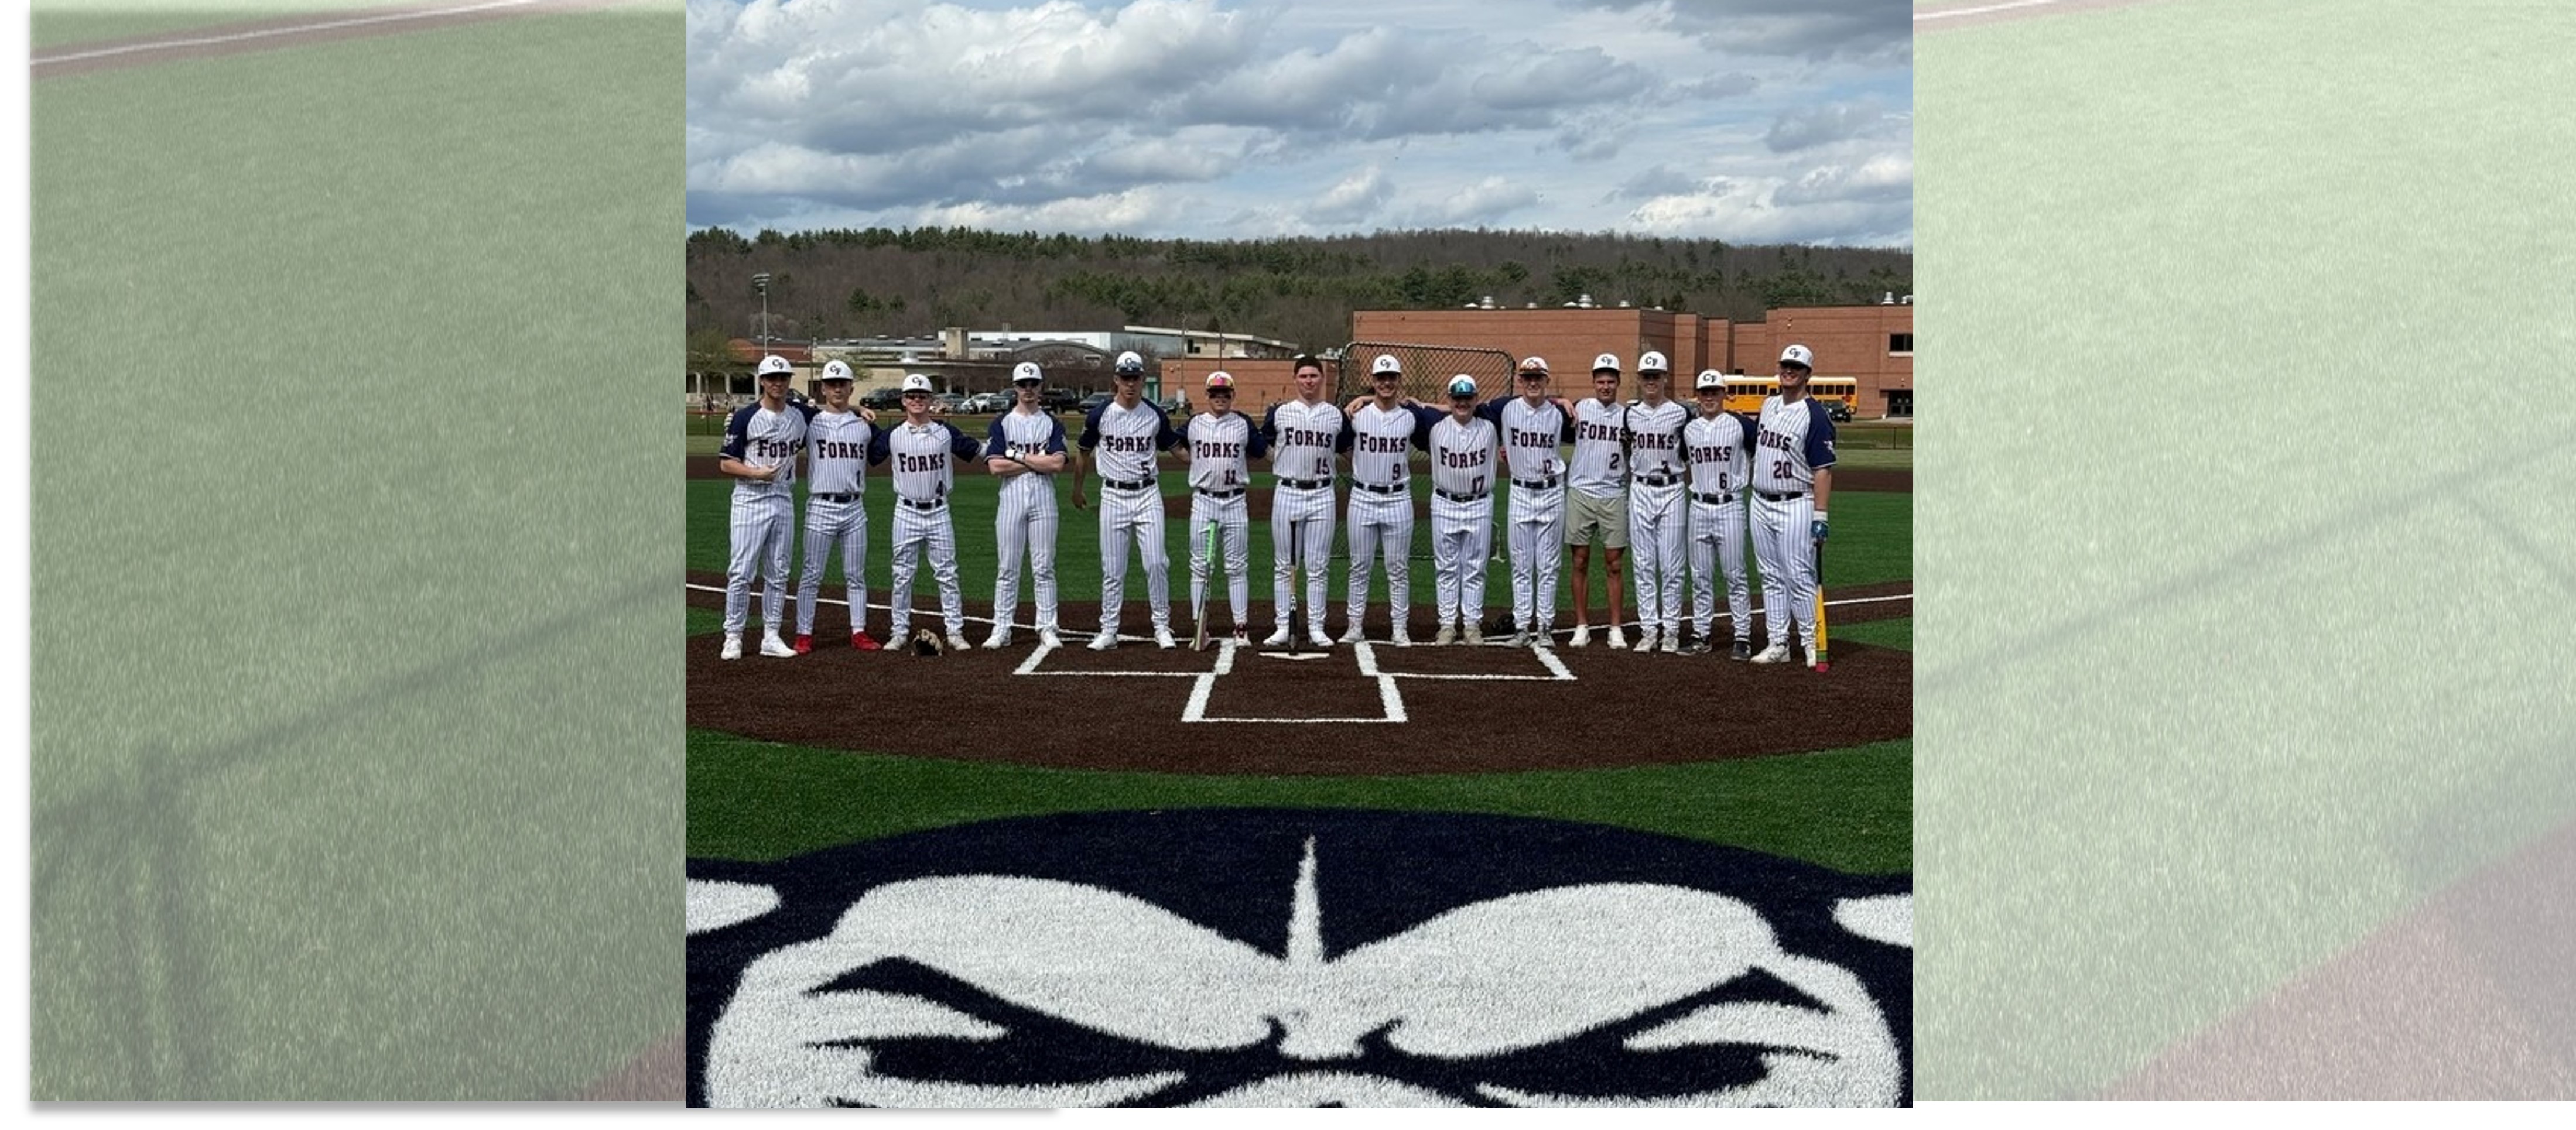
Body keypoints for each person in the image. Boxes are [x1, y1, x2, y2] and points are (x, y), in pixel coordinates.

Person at [1070, 351, 1188, 650]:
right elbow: (1083, 453)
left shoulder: (1154, 414)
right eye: (1125, 378)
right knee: (1113, 567)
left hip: (1147, 493)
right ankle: (1109, 629)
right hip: (1112, 495)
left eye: (1135, 378)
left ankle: (1162, 626)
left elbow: (1176, 449)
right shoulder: (1101, 414)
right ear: (1116, 380)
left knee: (1157, 563)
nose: (1130, 384)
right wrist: (1078, 488)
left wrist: (1208, 464)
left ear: (1142, 379)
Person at [869, 373, 983, 653]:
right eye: (911, 396)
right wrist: (860, 413)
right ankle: (899, 632)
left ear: (931, 400)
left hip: (938, 510)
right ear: (903, 400)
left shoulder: (946, 432)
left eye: (922, 396)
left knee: (947, 573)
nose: (917, 401)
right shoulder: (892, 435)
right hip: (906, 510)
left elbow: (981, 451)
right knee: (902, 575)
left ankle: (955, 632)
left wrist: (1015, 451)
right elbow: (871, 455)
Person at [1476, 356, 1576, 647]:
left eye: (1538, 378)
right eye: (1527, 378)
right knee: (1521, 564)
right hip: (1520, 491)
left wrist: (1564, 400)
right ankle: (1522, 627)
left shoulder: (1559, 413)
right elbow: (1463, 408)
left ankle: (1544, 627)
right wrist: (1417, 403)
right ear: (1520, 381)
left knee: (1548, 564)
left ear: (1547, 381)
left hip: (1551, 491)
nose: (1533, 383)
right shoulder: (1505, 408)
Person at [1749, 344, 1836, 670]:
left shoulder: (1815, 415)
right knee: (1770, 575)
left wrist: (1821, 516)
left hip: (1796, 501)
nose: (1789, 371)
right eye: (1785, 365)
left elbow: (1823, 469)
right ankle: (1778, 643)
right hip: (1760, 500)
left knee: (1800, 576)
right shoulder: (1769, 405)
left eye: (1796, 368)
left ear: (1807, 375)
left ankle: (1812, 643)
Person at [715, 354, 807, 660]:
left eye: (783, 378)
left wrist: (859, 408)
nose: (778, 383)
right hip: (750, 497)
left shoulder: (799, 415)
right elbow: (726, 464)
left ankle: (771, 635)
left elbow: (831, 412)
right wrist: (758, 474)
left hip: (783, 497)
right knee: (741, 571)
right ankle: (733, 636)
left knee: (779, 572)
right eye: (772, 378)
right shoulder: (746, 417)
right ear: (763, 381)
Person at [789, 360, 883, 653]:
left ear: (851, 388)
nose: (837, 388)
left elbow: (885, 448)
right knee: (811, 574)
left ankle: (859, 631)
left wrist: (857, 411)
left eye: (842, 384)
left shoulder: (865, 427)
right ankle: (804, 633)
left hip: (855, 508)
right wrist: (856, 408)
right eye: (832, 384)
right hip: (821, 505)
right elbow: (783, 405)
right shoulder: (809, 422)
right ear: (823, 389)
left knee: (856, 574)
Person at [1258, 354, 1350, 649]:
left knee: (1318, 564)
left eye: (1314, 376)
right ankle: (1283, 625)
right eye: (1304, 376)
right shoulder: (1280, 413)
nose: (1309, 381)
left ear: (1321, 379)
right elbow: (1265, 445)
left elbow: (1348, 449)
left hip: (1323, 492)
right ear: (1295, 379)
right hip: (1288, 490)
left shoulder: (1335, 415)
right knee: (1284, 564)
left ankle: (1316, 626)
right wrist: (1284, 465)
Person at [1336, 354, 1429, 645]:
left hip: (1397, 498)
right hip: (1363, 496)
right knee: (1359, 565)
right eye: (1381, 378)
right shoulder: (1356, 416)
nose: (1387, 383)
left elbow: (1448, 412)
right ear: (1373, 382)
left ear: (1399, 381)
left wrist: (1416, 401)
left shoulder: (1410, 417)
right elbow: (1340, 444)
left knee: (1398, 567)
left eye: (1392, 378)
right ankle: (1355, 625)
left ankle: (1399, 627)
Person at [984, 362, 1068, 650]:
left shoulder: (1052, 423)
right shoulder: (1002, 423)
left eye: (1033, 384)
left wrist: (1016, 455)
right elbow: (995, 466)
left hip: (1044, 498)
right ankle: (1002, 626)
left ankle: (1047, 626)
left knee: (1044, 567)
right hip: (1011, 499)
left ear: (1041, 387)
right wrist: (1036, 461)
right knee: (1008, 567)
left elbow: (1057, 464)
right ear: (1015, 387)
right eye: (1023, 384)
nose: (1028, 390)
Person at [1183, 371, 1268, 647]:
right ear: (1207, 396)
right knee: (1200, 567)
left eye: (1225, 394)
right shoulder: (1195, 424)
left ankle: (1240, 627)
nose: (1220, 399)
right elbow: (1171, 443)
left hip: (1234, 501)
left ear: (1233, 396)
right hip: (1204, 501)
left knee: (1237, 566)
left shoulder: (1242, 424)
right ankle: (1200, 626)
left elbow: (1261, 451)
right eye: (1215, 394)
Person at [1683, 369, 1761, 659]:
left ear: (1723, 394)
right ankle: (1701, 634)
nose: (1709, 397)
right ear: (1698, 396)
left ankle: (1742, 635)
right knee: (1700, 576)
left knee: (1735, 574)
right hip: (1699, 505)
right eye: (1704, 392)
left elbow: (1760, 453)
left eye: (1714, 392)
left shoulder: (1741, 425)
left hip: (1730, 505)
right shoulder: (1689, 429)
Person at [1622, 351, 1691, 653]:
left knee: (1672, 565)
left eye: (1656, 376)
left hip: (1672, 489)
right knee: (1644, 564)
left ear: (1666, 378)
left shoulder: (1681, 413)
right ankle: (1649, 629)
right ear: (1639, 379)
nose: (1651, 381)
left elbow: (1691, 451)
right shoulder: (1630, 414)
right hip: (1640, 489)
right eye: (1646, 376)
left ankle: (1672, 630)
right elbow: (1627, 451)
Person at [1425, 375, 1501, 645]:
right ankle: (1447, 624)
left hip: (1479, 502)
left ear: (1476, 400)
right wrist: (1362, 399)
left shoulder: (1491, 426)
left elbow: (1525, 400)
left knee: (1475, 567)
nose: (1462, 403)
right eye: (1457, 398)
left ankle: (1471, 625)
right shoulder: (1435, 425)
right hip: (1445, 502)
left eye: (1467, 398)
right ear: (1448, 400)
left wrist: (1560, 399)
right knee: (1446, 567)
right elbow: (1405, 405)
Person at [1565, 352, 1632, 648]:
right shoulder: (1580, 408)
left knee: (1614, 563)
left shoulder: (1627, 415)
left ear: (1618, 382)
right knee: (1579, 560)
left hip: (1613, 492)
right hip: (1581, 491)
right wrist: (1560, 401)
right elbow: (1549, 408)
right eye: (1601, 381)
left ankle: (1615, 627)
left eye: (1611, 381)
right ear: (1593, 382)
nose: (1605, 386)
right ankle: (1582, 624)